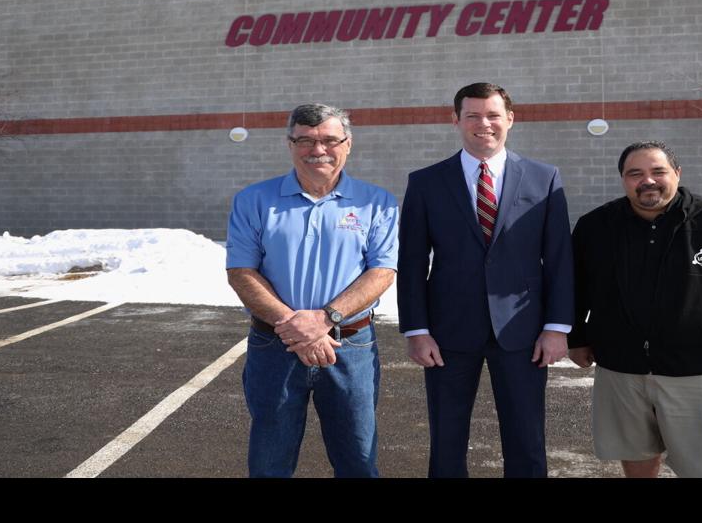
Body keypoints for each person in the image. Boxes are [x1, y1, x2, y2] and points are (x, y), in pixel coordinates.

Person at [567, 141, 702, 478]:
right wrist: (577, 335)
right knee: (636, 458)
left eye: (658, 172)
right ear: (623, 179)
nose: (647, 181)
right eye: (635, 173)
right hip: (621, 370)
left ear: (677, 174)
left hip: (695, 370)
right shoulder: (596, 226)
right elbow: (576, 287)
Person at [396, 83, 574, 478]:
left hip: (523, 332)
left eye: (493, 115)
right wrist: (417, 329)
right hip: (447, 333)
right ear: (456, 119)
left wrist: (557, 327)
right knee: (446, 440)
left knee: (527, 441)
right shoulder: (425, 182)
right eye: (473, 115)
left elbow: (560, 258)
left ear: (510, 119)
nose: (484, 124)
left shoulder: (544, 178)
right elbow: (410, 263)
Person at [226, 103, 398, 478]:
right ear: (290, 145)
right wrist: (293, 324)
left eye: (328, 140)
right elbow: (241, 272)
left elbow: (382, 272)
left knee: (358, 461)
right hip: (275, 345)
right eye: (305, 140)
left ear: (347, 144)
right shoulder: (253, 201)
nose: (317, 150)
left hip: (350, 346)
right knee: (269, 463)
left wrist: (324, 319)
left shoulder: (377, 203)